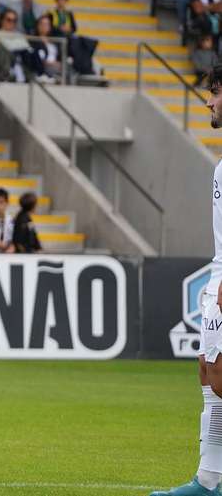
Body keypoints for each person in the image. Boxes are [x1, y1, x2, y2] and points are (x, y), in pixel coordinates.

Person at [148, 66, 222, 496]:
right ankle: (210, 480)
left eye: (214, 93)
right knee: (208, 375)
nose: (207, 102)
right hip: (215, 279)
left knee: (219, 379)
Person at [32, 14, 62, 81]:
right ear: (37, 25)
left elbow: (59, 56)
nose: (44, 26)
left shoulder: (54, 41)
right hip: (44, 68)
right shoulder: (34, 40)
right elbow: (37, 58)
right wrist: (50, 63)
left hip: (56, 67)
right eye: (42, 24)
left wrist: (58, 63)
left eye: (47, 24)